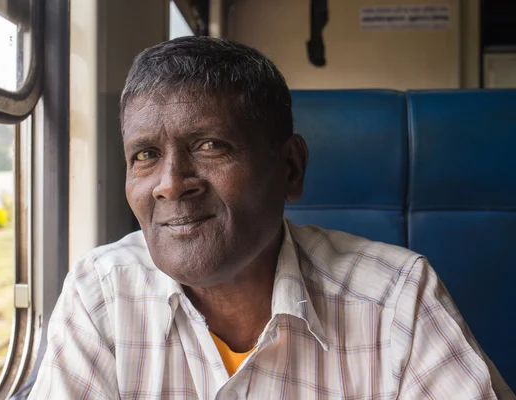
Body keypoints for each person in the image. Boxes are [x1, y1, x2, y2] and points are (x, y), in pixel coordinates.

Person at [28, 37, 514, 399]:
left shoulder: (397, 298)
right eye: (145, 155)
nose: (170, 183)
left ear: (290, 167)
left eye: (210, 145)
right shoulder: (102, 293)